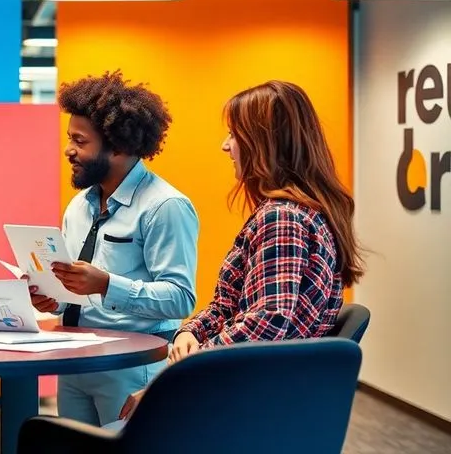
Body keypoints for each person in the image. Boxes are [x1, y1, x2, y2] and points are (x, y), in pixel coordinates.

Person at [114, 80, 364, 426]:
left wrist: (178, 378)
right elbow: (229, 308)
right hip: (258, 395)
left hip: (246, 402)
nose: (225, 146)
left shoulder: (282, 218)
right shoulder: (301, 213)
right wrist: (191, 333)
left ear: (265, 143)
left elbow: (269, 320)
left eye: (234, 134)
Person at [28, 70, 199, 428]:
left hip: (132, 365)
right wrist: (52, 297)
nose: (68, 149)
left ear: (119, 146)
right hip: (75, 360)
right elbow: (76, 291)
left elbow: (181, 297)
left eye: (80, 140)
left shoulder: (165, 206)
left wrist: (107, 284)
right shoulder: (79, 206)